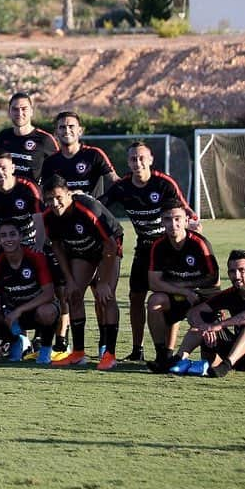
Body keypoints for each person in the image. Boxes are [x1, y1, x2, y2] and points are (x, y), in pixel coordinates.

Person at [99, 140, 195, 361]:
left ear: (151, 160)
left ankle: (169, 352)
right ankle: (137, 349)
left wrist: (193, 221)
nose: (138, 162)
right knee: (135, 297)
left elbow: (185, 209)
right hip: (144, 248)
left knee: (170, 297)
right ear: (128, 162)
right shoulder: (123, 187)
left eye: (142, 158)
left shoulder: (163, 184)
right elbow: (100, 206)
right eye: (133, 159)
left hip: (168, 250)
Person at [42, 176, 124, 370]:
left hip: (108, 249)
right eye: (49, 199)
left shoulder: (87, 209)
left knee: (106, 297)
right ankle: (78, 353)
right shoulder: (49, 217)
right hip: (82, 252)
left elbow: (110, 244)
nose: (54, 203)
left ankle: (109, 354)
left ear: (68, 193)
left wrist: (103, 281)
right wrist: (69, 280)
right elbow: (57, 247)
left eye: (58, 197)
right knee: (74, 294)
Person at [146, 201, 220, 372]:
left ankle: (183, 357)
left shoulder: (199, 243)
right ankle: (163, 356)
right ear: (162, 222)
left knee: (211, 362)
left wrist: (188, 287)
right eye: (167, 219)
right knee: (155, 301)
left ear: (187, 220)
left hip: (204, 297)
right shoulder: (158, 246)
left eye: (177, 219)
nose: (173, 224)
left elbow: (214, 279)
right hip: (180, 295)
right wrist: (183, 291)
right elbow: (154, 282)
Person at [0, 220, 60, 365]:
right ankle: (16, 341)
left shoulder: (35, 257)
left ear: (20, 237)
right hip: (13, 316)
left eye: (12, 234)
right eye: (4, 236)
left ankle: (45, 349)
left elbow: (49, 294)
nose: (8, 239)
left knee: (47, 312)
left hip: (37, 311)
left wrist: (19, 310)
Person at [169, 250, 245, 377]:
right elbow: (193, 313)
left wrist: (219, 325)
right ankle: (178, 360)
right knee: (203, 324)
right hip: (237, 355)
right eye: (232, 271)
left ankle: (225, 365)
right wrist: (206, 328)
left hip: (231, 361)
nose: (236, 276)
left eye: (242, 270)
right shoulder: (230, 294)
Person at [0, 153, 46, 256]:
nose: (0, 173)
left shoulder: (28, 187)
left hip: (30, 243)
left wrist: (38, 246)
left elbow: (40, 221)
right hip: (6, 247)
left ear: (12, 168)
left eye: (3, 168)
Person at [42, 111, 118, 197]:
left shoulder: (94, 154)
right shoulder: (50, 162)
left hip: (91, 209)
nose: (67, 131)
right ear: (56, 133)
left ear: (80, 131)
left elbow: (114, 180)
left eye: (71, 126)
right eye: (62, 127)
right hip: (64, 210)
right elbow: (45, 193)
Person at [0, 92, 58, 182]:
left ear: (31, 111)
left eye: (24, 109)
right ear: (9, 112)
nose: (19, 113)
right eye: (15, 109)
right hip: (7, 194)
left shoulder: (45, 139)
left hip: (33, 194)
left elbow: (59, 168)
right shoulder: (4, 135)